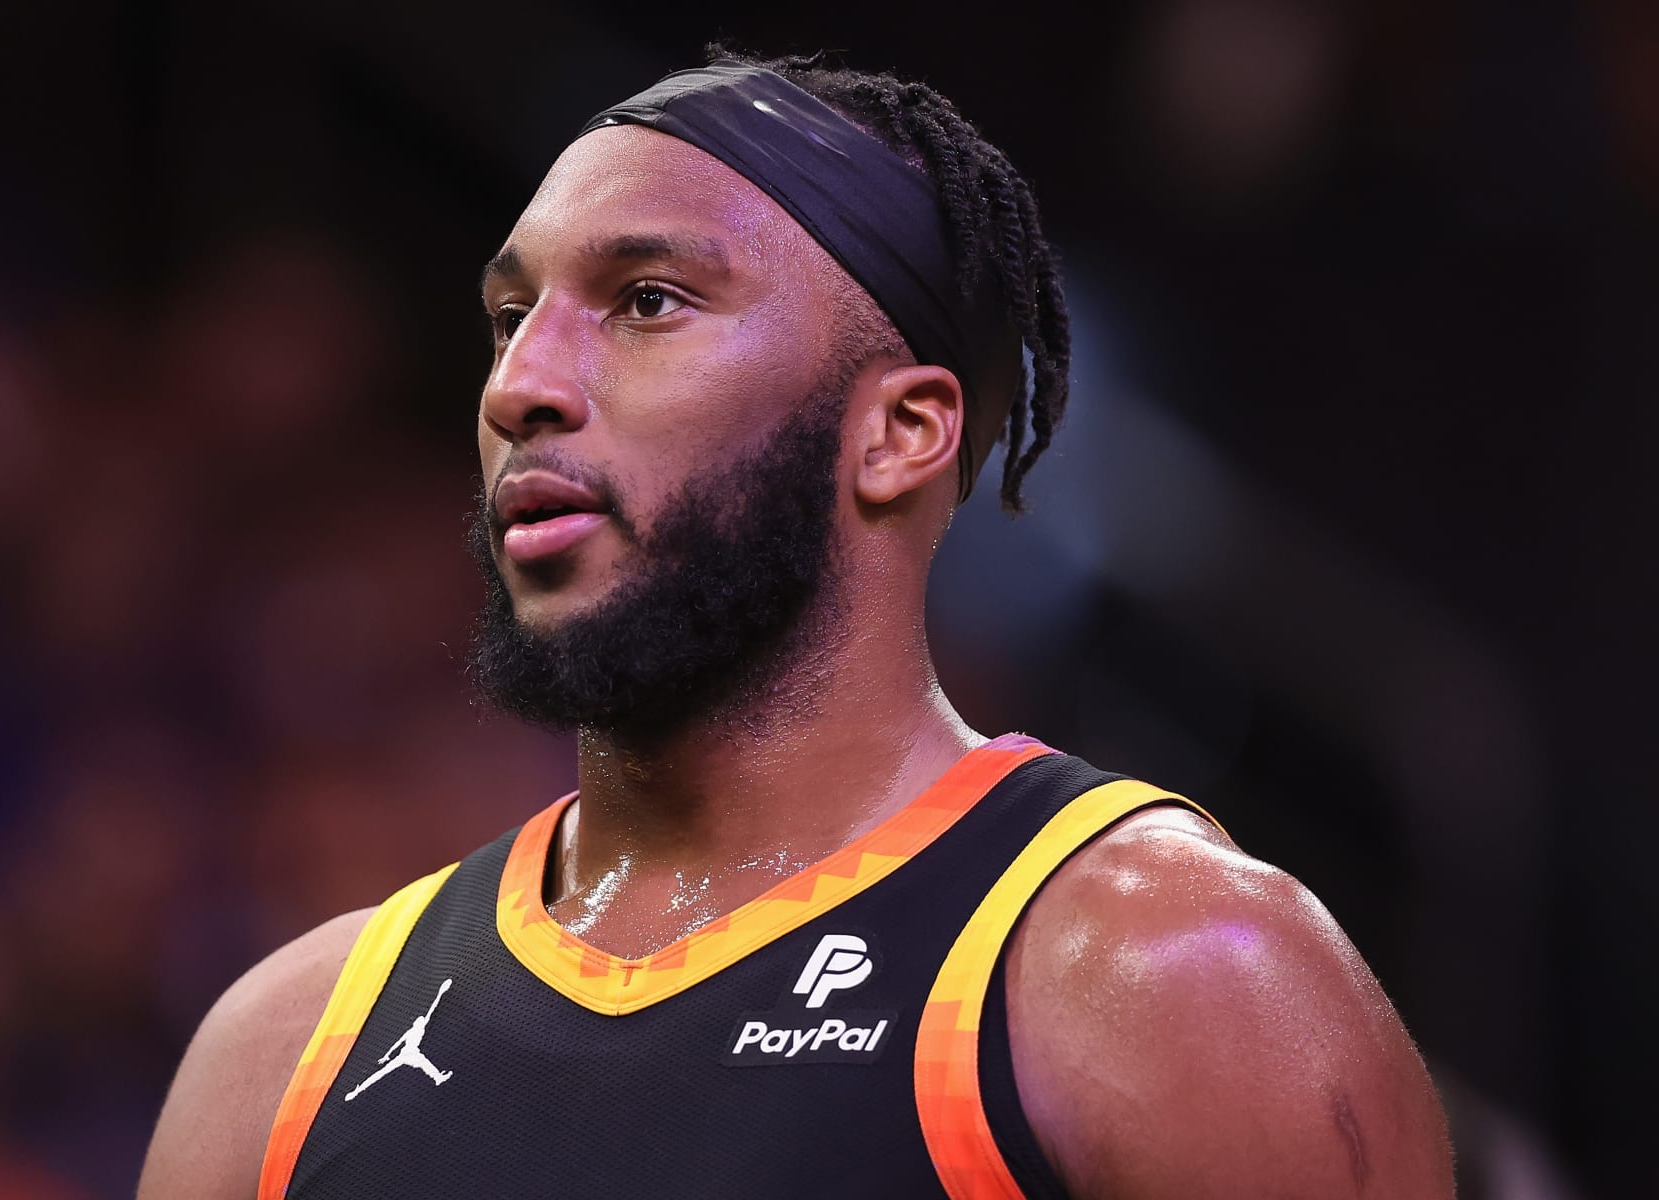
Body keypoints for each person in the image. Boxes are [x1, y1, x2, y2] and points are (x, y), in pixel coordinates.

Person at [138, 49, 1454, 1199]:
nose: (521, 384)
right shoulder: (284, 1052)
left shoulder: (1169, 977)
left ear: (901, 432)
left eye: (647, 300)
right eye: (509, 316)